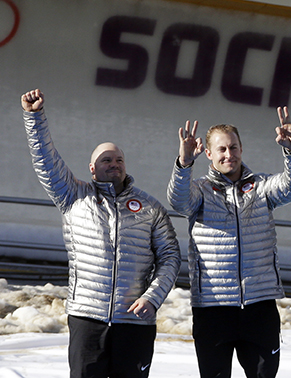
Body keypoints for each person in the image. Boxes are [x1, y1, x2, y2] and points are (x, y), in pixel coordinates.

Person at [21, 89, 182, 378]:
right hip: (87, 319)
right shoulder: (74, 196)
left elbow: (171, 257)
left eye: (119, 160)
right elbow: (46, 161)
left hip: (134, 321)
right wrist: (34, 117)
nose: (114, 164)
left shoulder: (150, 207)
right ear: (93, 169)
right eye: (106, 160)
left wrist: (153, 298)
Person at [167, 108, 291, 378]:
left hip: (259, 306)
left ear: (242, 148)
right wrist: (184, 164)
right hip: (213, 308)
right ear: (208, 154)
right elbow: (178, 199)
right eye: (221, 149)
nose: (228, 154)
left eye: (233, 147)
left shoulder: (261, 186)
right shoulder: (199, 191)